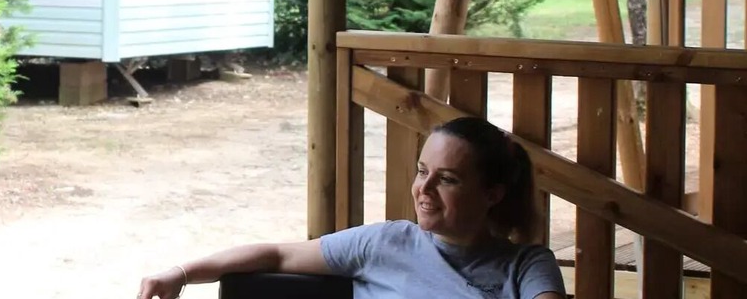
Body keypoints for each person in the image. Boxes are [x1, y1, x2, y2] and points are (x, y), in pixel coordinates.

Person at [138, 117, 566, 299]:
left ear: (492, 193)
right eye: (422, 171)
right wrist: (179, 274)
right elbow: (276, 254)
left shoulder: (527, 266)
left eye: (448, 179)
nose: (424, 188)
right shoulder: (383, 243)